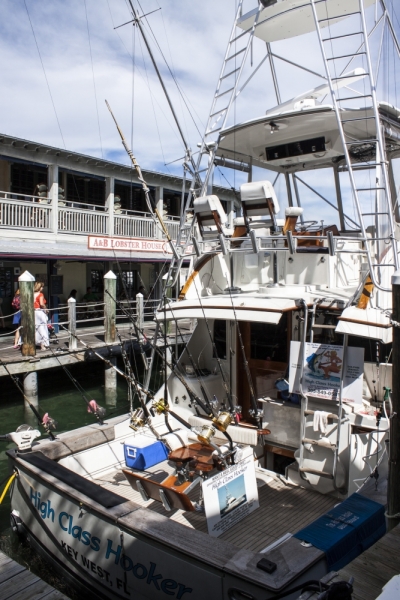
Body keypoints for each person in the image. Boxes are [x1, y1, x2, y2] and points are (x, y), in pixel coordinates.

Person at [34, 281, 49, 350]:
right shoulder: (40, 294)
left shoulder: (32, 294)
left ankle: (36, 342)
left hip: (33, 312)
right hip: (39, 312)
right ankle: (42, 344)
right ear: (39, 287)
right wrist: (46, 309)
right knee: (42, 328)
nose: (42, 288)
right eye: (42, 287)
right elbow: (42, 304)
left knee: (35, 328)